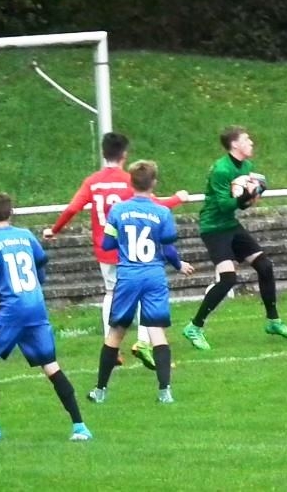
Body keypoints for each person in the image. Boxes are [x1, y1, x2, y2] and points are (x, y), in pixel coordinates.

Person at [43, 132, 188, 370]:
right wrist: (177, 198)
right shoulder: (129, 180)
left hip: (105, 247)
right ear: (124, 155)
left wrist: (54, 229)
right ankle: (143, 342)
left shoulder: (93, 181)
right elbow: (155, 205)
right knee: (144, 294)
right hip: (130, 248)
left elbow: (72, 208)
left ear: (103, 153)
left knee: (111, 293)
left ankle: (111, 347)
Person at [0, 193, 92, 442]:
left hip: (13, 310)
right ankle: (80, 427)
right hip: (36, 306)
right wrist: (36, 285)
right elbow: (41, 264)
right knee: (50, 365)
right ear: (12, 213)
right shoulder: (26, 235)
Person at [182, 125, 287, 350]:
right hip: (214, 228)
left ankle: (273, 321)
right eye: (246, 139)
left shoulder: (246, 167)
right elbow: (224, 205)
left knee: (265, 266)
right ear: (235, 144)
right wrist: (246, 195)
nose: (251, 142)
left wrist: (253, 195)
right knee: (228, 279)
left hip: (230, 225)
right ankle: (194, 327)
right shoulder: (221, 170)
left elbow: (241, 206)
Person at [87, 160, 194, 404]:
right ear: (153, 182)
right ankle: (165, 392)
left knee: (116, 332)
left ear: (131, 182)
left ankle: (100, 391)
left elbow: (107, 244)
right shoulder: (162, 212)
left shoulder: (118, 211)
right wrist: (179, 265)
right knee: (156, 331)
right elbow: (168, 248)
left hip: (128, 275)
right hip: (154, 275)